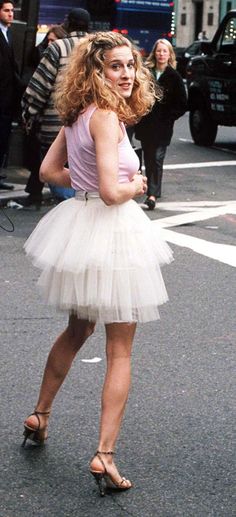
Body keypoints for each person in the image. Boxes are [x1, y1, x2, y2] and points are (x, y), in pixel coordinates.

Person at [22, 32, 173, 496]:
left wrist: (85, 181)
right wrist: (137, 185)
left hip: (81, 229)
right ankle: (104, 455)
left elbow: (50, 172)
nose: (127, 74)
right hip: (112, 232)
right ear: (96, 70)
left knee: (77, 330)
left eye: (131, 65)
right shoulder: (106, 117)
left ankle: (40, 415)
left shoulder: (77, 114)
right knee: (120, 350)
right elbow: (112, 192)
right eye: (116, 66)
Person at [21, 8, 90, 207]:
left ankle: (71, 213)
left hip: (57, 126)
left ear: (68, 23)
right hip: (93, 128)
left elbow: (38, 87)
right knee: (85, 178)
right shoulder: (99, 49)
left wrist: (28, 114)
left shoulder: (58, 47)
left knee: (60, 181)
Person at [135, 38, 187, 209]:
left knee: (157, 158)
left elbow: (182, 103)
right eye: (159, 50)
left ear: (170, 54)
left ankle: (152, 194)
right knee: (149, 158)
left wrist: (168, 117)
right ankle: (151, 189)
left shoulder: (174, 76)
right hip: (146, 124)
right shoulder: (146, 73)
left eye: (165, 51)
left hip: (163, 126)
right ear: (154, 53)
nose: (161, 54)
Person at [22, 24, 68, 209]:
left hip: (53, 121)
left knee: (50, 162)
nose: (50, 44)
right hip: (42, 121)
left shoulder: (58, 56)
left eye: (53, 41)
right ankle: (35, 193)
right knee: (41, 161)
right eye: (48, 40)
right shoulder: (39, 54)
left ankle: (55, 198)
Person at [0, 1, 23, 190]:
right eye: (6, 10)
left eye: (12, 11)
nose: (11, 14)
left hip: (7, 99)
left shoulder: (8, 33)